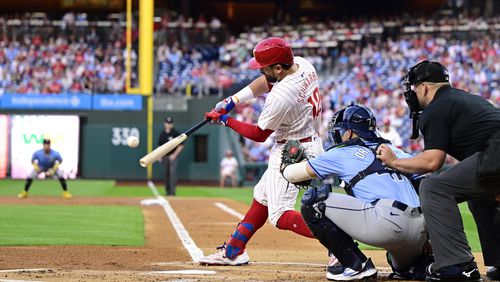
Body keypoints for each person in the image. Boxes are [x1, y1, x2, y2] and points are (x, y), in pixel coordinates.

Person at [200, 37, 324, 265]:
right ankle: (234, 251)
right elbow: (267, 82)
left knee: (279, 214)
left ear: (278, 67)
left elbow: (259, 134)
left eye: (265, 67)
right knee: (262, 197)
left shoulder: (281, 96)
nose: (261, 70)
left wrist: (226, 120)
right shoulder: (302, 64)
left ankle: (338, 245)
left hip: (293, 152)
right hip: (304, 141)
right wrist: (232, 100)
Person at [377, 60, 500, 281]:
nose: (412, 94)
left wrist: (394, 161)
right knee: (479, 197)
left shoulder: (435, 108)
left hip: (496, 154)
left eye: (414, 88)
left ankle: (458, 266)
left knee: (433, 188)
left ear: (423, 87)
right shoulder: (465, 98)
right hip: (494, 156)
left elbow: (432, 162)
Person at [282, 104, 432, 281]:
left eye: (341, 130)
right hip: (420, 230)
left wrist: (287, 164)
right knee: (403, 267)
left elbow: (291, 175)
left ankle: (355, 265)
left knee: (313, 202)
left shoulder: (343, 152)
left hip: (386, 224)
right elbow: (426, 184)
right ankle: (426, 265)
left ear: (350, 133)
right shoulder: (396, 152)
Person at [158, 116, 184, 196]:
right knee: (166, 174)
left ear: (172, 124)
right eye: (167, 123)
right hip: (165, 157)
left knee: (172, 174)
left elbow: (181, 145)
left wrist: (174, 155)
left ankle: (172, 192)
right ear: (164, 123)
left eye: (170, 123)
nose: (168, 124)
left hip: (173, 157)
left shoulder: (175, 133)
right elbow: (160, 146)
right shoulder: (162, 134)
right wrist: (159, 156)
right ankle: (167, 191)